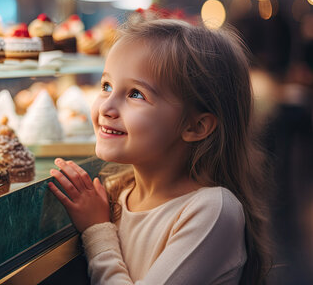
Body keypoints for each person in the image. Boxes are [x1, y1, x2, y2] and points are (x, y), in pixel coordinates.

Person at [48, 17, 272, 284]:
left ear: (197, 125)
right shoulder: (115, 192)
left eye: (136, 94)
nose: (106, 107)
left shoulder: (213, 211)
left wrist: (98, 231)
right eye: (106, 86)